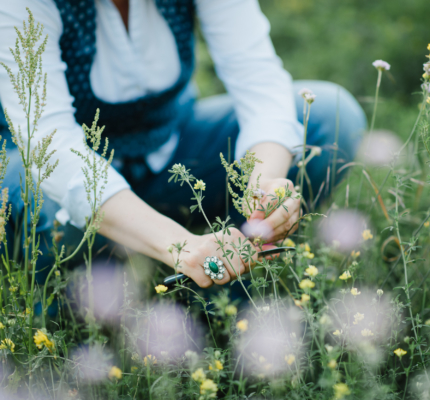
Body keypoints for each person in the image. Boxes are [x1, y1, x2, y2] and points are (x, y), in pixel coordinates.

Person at [0, 0, 366, 288]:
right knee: (36, 193)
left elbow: (259, 82)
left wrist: (263, 188)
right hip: (51, 183)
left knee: (328, 116)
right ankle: (69, 316)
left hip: (170, 155)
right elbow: (51, 145)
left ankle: (225, 298)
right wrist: (180, 245)